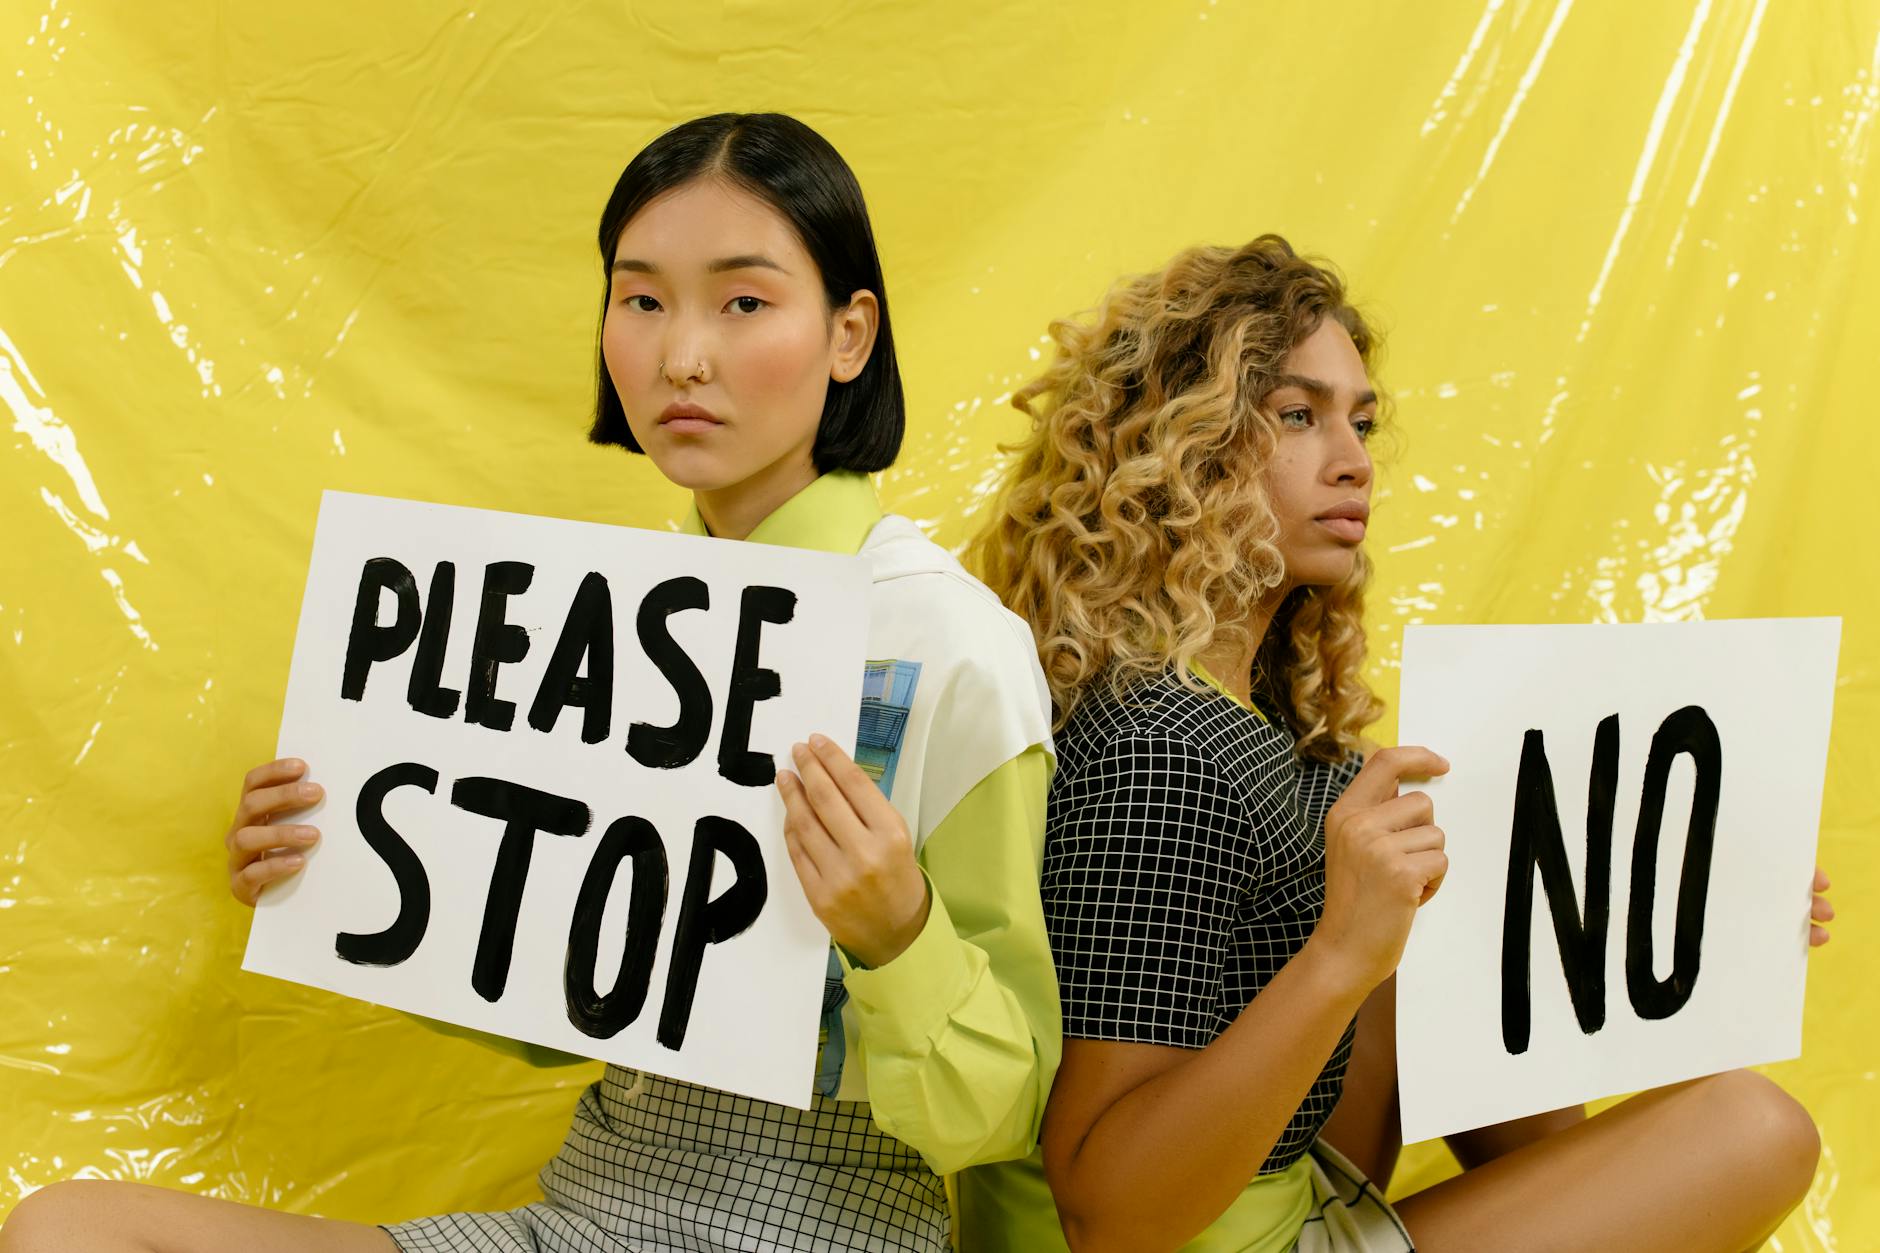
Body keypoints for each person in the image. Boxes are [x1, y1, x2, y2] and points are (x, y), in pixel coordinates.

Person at [0, 112, 1059, 1253]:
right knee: (69, 1228)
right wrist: (343, 863)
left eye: (742, 302)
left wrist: (897, 931)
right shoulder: (598, 618)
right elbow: (568, 1002)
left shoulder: (949, 643)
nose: (680, 355)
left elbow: (1000, 1114)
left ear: (849, 335)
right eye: (640, 299)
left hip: (824, 1222)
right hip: (589, 1203)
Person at [962, 234, 1834, 1252]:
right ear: (1177, 444)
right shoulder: (1164, 746)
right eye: (1297, 415)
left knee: (1429, 901)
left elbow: (1475, 993)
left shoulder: (1254, 721)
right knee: (1752, 1128)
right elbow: (1105, 1216)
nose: (1354, 459)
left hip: (1295, 1186)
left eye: (1361, 420)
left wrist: (1706, 927)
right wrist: (1342, 949)